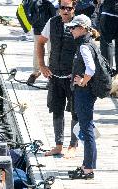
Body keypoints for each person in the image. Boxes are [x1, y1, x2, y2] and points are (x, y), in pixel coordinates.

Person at [37, 0, 78, 158]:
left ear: (74, 9)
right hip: (54, 75)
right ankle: (58, 145)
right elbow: (40, 42)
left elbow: (88, 46)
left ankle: (73, 145)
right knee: (56, 110)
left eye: (69, 8)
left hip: (72, 77)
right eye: (63, 8)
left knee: (76, 112)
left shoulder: (79, 24)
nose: (66, 11)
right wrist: (41, 65)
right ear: (59, 8)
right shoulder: (52, 22)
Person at [67, 14, 97, 179]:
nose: (71, 30)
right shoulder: (88, 43)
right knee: (87, 128)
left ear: (83, 29)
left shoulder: (84, 46)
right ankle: (87, 165)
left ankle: (88, 170)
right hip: (87, 93)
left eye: (74, 27)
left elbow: (91, 69)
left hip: (84, 93)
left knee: (87, 128)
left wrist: (83, 82)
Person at [26, 0, 56, 85]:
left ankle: (50, 75)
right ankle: (36, 72)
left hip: (52, 28)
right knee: (37, 50)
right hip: (38, 27)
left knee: (52, 51)